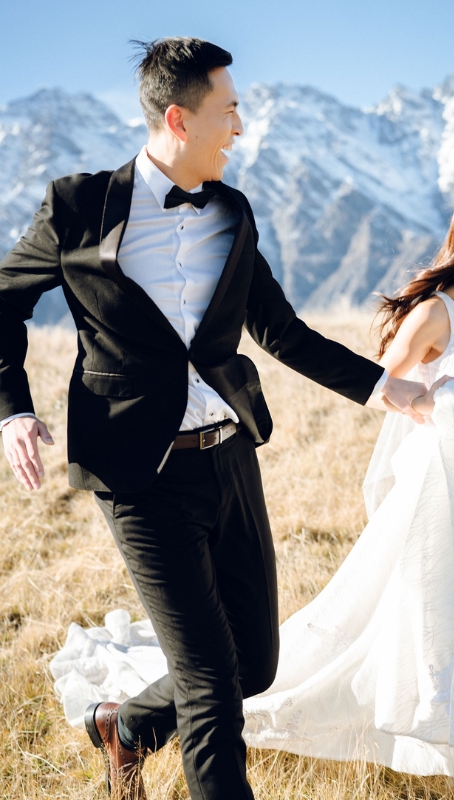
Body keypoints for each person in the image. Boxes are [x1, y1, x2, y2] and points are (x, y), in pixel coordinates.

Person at [50, 181, 454, 793]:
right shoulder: (437, 315)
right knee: (286, 661)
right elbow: (395, 395)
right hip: (453, 493)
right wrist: (453, 412)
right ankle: (134, 726)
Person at [0, 39, 429, 800]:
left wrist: (379, 387)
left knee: (252, 667)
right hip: (137, 475)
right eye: (228, 110)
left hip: (230, 457)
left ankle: (124, 727)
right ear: (179, 118)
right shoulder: (77, 207)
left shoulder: (232, 211)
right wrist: (13, 413)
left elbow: (281, 330)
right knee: (208, 682)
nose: (239, 126)